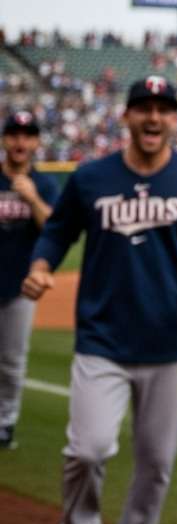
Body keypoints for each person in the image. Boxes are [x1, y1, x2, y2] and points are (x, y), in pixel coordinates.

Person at [23, 76, 177, 524]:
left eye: (163, 109)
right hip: (103, 340)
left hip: (170, 343)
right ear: (126, 116)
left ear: (175, 118)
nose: (153, 118)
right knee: (87, 450)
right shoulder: (92, 177)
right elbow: (57, 230)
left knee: (157, 461)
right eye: (144, 108)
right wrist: (42, 264)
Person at [0, 110, 59, 450]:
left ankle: (5, 423)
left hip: (22, 285)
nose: (20, 141)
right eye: (14, 135)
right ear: (5, 140)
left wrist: (33, 198)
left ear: (36, 142)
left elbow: (55, 230)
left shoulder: (46, 184)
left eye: (27, 136)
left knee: (11, 360)